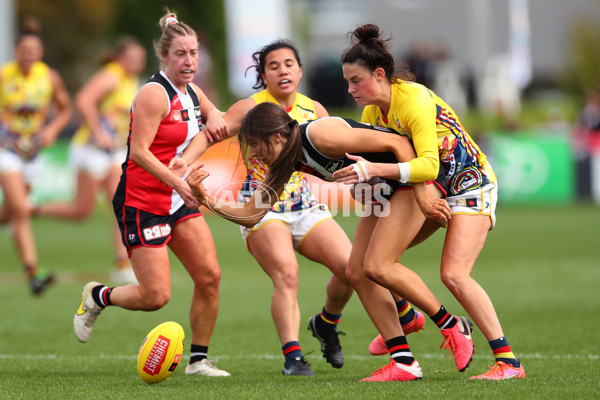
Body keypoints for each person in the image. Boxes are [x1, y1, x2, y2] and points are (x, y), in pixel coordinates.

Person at [186, 101, 475, 382]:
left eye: (254, 144)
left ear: (276, 137)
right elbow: (253, 214)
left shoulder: (321, 135)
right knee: (356, 271)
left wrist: (422, 196)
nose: (252, 154)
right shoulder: (287, 162)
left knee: (376, 266)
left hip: (415, 180)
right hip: (386, 188)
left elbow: (400, 145)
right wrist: (206, 199)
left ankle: (451, 326)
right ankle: (404, 361)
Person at [335, 23, 525, 380]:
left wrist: (373, 170)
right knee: (362, 268)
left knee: (453, 274)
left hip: (468, 186)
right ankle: (405, 337)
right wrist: (364, 184)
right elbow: (384, 171)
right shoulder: (373, 112)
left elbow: (428, 164)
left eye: (356, 80)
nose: (350, 89)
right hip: (427, 190)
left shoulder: (414, 100)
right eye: (347, 81)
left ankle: (508, 362)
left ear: (379, 75)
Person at [187, 39, 360, 376]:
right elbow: (212, 133)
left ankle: (326, 323)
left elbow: (338, 157)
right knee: (287, 275)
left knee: (352, 270)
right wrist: (181, 165)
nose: (283, 70)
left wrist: (365, 175)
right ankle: (293, 357)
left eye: (289, 64)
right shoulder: (249, 108)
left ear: (299, 69)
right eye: (273, 66)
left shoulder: (316, 110)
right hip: (263, 206)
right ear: (263, 75)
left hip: (305, 205)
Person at [73, 11, 231, 377]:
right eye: (181, 54)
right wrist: (180, 181)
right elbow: (139, 153)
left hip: (177, 201)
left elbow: (216, 118)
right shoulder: (153, 93)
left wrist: (222, 118)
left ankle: (198, 361)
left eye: (193, 53)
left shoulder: (192, 90)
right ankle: (98, 296)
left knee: (210, 276)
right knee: (156, 297)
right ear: (164, 56)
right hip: (142, 202)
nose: (189, 61)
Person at [36, 36, 147, 284]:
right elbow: (84, 100)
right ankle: (30, 208)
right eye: (132, 57)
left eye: (139, 58)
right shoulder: (112, 74)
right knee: (81, 211)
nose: (137, 62)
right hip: (90, 149)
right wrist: (98, 132)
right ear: (119, 57)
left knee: (122, 204)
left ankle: (122, 263)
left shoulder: (130, 80)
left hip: (112, 152)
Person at [0, 18, 72, 295]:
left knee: (12, 214)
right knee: (21, 210)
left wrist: (52, 129)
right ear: (16, 52)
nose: (29, 55)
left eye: (34, 50)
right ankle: (34, 272)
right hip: (7, 150)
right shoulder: (5, 75)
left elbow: (65, 109)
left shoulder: (49, 76)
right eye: (24, 50)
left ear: (40, 53)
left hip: (34, 153)